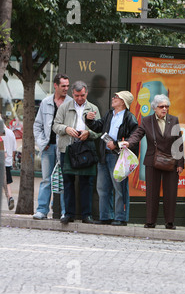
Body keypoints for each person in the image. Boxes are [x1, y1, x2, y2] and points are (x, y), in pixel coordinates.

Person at [123, 94, 184, 229]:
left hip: (171, 160)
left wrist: (180, 163)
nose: (164, 109)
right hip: (152, 160)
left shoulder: (174, 120)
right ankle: (150, 221)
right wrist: (129, 142)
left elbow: (179, 143)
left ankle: (169, 222)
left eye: (167, 107)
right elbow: (137, 134)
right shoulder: (147, 121)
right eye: (161, 106)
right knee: (151, 193)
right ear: (154, 108)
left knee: (171, 192)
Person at [84, 91, 138, 226]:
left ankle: (121, 218)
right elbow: (97, 127)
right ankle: (105, 216)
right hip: (104, 155)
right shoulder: (109, 114)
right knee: (102, 188)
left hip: (118, 157)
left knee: (120, 189)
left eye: (117, 97)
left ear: (123, 102)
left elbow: (133, 138)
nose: (113, 98)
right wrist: (89, 120)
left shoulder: (129, 118)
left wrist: (117, 143)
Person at [53, 81, 101, 224]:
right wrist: (66, 129)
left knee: (87, 182)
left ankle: (87, 215)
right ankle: (68, 214)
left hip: (85, 147)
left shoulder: (93, 108)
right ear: (72, 94)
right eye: (77, 95)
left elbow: (100, 129)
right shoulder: (64, 107)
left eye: (82, 95)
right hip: (68, 147)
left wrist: (89, 133)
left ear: (86, 93)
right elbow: (55, 125)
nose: (80, 98)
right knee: (68, 182)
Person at [33, 74, 72, 220]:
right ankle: (42, 210)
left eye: (68, 86)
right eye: (63, 86)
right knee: (46, 179)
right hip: (48, 147)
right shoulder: (45, 102)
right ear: (55, 86)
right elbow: (37, 125)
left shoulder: (71, 103)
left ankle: (64, 212)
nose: (66, 89)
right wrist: (42, 143)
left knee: (64, 179)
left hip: (64, 148)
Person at [2, 121, 16, 210]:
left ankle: (10, 198)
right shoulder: (10, 133)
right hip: (8, 162)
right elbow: (14, 149)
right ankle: (10, 197)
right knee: (7, 183)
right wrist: (12, 159)